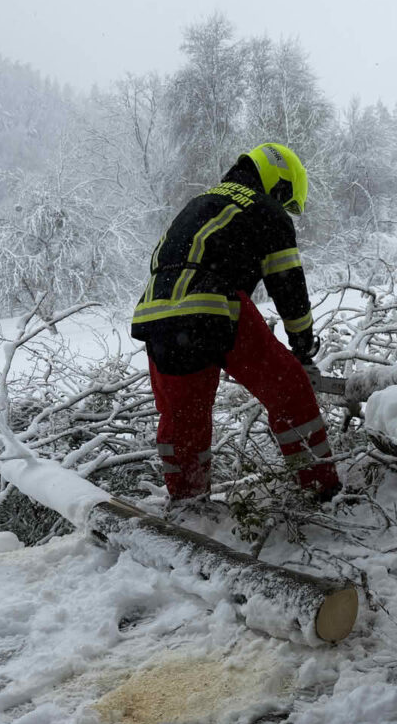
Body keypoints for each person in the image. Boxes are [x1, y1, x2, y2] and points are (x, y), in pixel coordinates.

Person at [130, 143, 340, 504]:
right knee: (289, 388)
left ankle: (188, 504)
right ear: (280, 184)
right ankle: (321, 490)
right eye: (286, 198)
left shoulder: (200, 204)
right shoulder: (266, 210)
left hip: (156, 315)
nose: (284, 205)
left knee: (184, 418)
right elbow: (288, 287)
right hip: (211, 302)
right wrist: (302, 348)